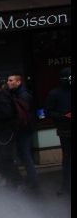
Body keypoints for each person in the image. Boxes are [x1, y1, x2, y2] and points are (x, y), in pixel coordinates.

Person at [0, 75, 24, 188]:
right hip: (5, 130)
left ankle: (17, 182)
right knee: (4, 157)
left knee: (5, 158)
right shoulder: (4, 94)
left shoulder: (2, 95)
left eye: (11, 80)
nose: (9, 82)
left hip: (5, 131)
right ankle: (13, 181)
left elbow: (7, 113)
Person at [8, 74, 39, 191]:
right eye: (8, 80)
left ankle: (33, 181)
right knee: (23, 154)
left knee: (25, 155)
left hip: (24, 130)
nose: (8, 82)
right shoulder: (18, 94)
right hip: (24, 129)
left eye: (11, 80)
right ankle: (31, 179)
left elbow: (22, 114)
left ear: (18, 82)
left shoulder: (23, 95)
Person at [45, 67, 71, 196]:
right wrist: (64, 116)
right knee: (67, 160)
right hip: (65, 130)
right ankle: (66, 186)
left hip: (65, 129)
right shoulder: (54, 94)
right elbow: (47, 112)